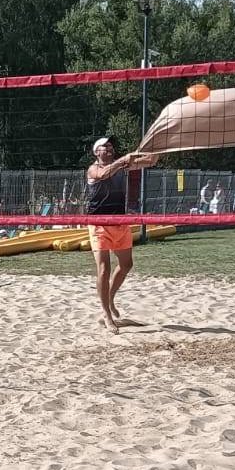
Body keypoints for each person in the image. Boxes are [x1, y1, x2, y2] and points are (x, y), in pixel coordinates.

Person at [84, 137, 158, 333]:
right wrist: (124, 160)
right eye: (105, 146)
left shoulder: (122, 166)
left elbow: (152, 161)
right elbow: (103, 174)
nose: (109, 148)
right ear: (96, 152)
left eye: (111, 146)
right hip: (99, 224)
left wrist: (158, 144)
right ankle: (106, 314)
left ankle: (109, 298)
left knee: (126, 265)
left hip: (120, 221)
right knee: (103, 269)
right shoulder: (93, 169)